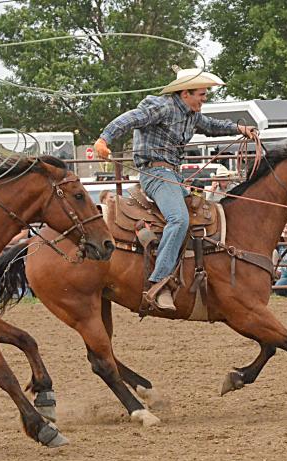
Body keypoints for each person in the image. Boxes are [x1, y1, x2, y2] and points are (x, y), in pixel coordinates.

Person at [93, 67, 258, 310]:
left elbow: (212, 125)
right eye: (201, 94)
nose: (204, 98)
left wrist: (239, 129)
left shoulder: (192, 114)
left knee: (199, 213)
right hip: (155, 173)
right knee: (179, 219)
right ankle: (158, 282)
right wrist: (104, 138)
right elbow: (130, 118)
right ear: (185, 93)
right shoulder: (162, 107)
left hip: (173, 177)